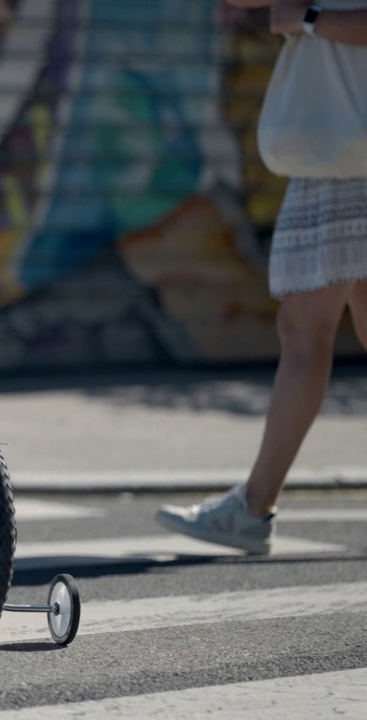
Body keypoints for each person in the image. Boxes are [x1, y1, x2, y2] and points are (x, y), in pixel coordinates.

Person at [155, 0, 367, 555]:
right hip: (339, 155)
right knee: (305, 332)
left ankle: (253, 508)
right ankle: (253, 506)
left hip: (351, 158)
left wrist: (310, 18)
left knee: (303, 334)